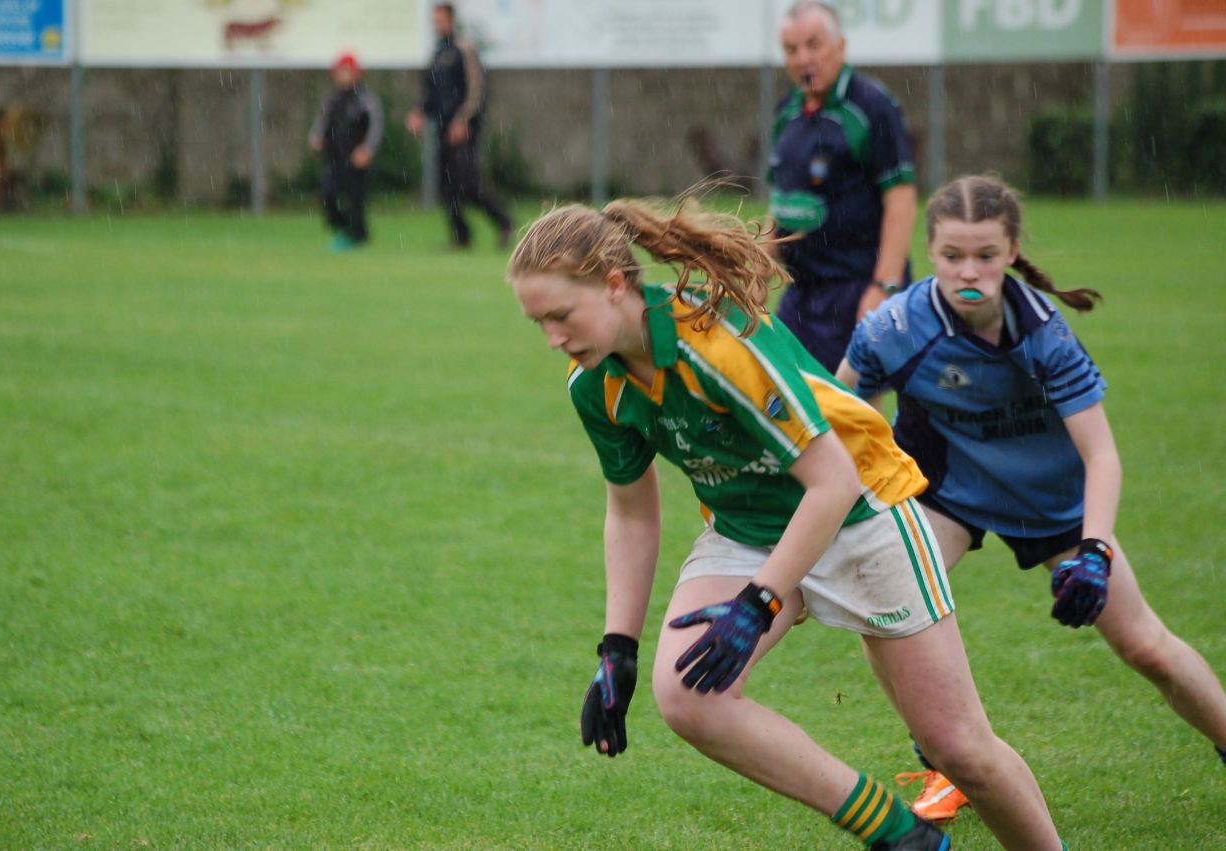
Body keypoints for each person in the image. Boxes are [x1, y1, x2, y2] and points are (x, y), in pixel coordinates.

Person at [507, 196, 1068, 850]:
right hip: (750, 531)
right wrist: (617, 647)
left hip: (862, 513)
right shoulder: (593, 384)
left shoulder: (714, 345)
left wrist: (758, 601)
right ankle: (898, 834)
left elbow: (833, 481)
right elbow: (631, 511)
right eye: (538, 323)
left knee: (960, 748)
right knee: (687, 693)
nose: (553, 339)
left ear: (611, 285)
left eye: (560, 316)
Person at [835, 174, 1226, 825]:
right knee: (886, 596)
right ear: (930, 252)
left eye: (986, 255)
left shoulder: (1045, 334)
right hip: (948, 493)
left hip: (1053, 504)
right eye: (953, 255)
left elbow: (1101, 453)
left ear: (1012, 250)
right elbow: (841, 417)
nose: (970, 270)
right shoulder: (894, 326)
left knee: (1146, 647)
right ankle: (946, 757)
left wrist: (1095, 552)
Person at [768, 1, 917, 373]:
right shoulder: (786, 111)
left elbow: (900, 198)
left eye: (813, 46)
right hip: (801, 291)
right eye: (792, 49)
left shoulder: (871, 106)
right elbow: (781, 201)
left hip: (854, 287)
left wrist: (884, 287)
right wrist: (756, 266)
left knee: (853, 411)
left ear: (840, 46)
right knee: (785, 397)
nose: (803, 59)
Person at [406, 2, 513, 250]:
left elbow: (477, 89)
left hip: (463, 130)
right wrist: (420, 112)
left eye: (441, 20)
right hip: (443, 130)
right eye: (435, 21)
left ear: (452, 20)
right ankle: (461, 237)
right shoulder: (437, 53)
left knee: (468, 184)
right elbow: (432, 93)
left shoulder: (464, 49)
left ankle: (505, 222)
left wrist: (464, 120)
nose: (437, 25)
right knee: (448, 187)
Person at [308, 52, 383, 251]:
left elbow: (375, 126)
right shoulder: (332, 100)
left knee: (355, 200)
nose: (343, 75)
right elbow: (322, 123)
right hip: (334, 157)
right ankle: (346, 230)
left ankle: (356, 235)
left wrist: (367, 150)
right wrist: (316, 139)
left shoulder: (365, 99)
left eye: (347, 71)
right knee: (328, 196)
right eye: (340, 71)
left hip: (356, 159)